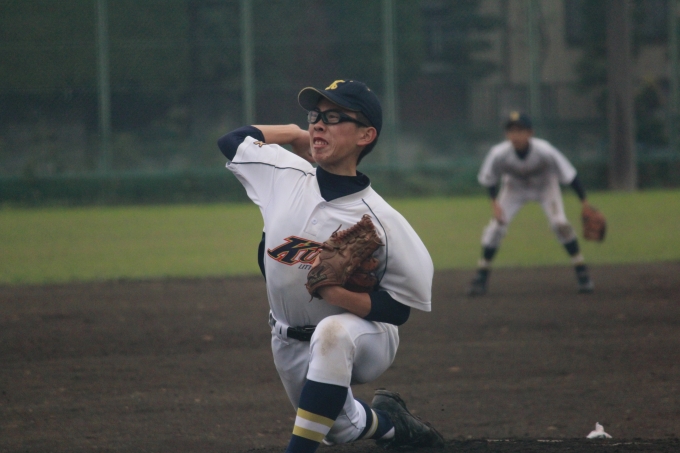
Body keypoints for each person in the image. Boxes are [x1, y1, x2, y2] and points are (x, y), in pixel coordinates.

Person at [217, 79, 444, 452]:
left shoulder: (382, 222)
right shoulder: (284, 173)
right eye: (316, 116)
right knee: (338, 427)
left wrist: (338, 295)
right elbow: (232, 140)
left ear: (365, 135)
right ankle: (394, 426)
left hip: (367, 337)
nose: (319, 124)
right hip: (286, 339)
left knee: (332, 333)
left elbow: (399, 309)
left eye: (335, 117)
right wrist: (293, 133)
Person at [468, 111, 595, 296]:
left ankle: (581, 270)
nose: (515, 135)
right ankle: (481, 275)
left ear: (530, 133)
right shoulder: (499, 153)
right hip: (514, 189)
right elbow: (490, 179)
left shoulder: (545, 150)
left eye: (520, 130)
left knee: (560, 223)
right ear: (506, 134)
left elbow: (570, 175)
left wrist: (584, 201)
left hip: (545, 187)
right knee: (496, 227)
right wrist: (494, 203)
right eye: (511, 131)